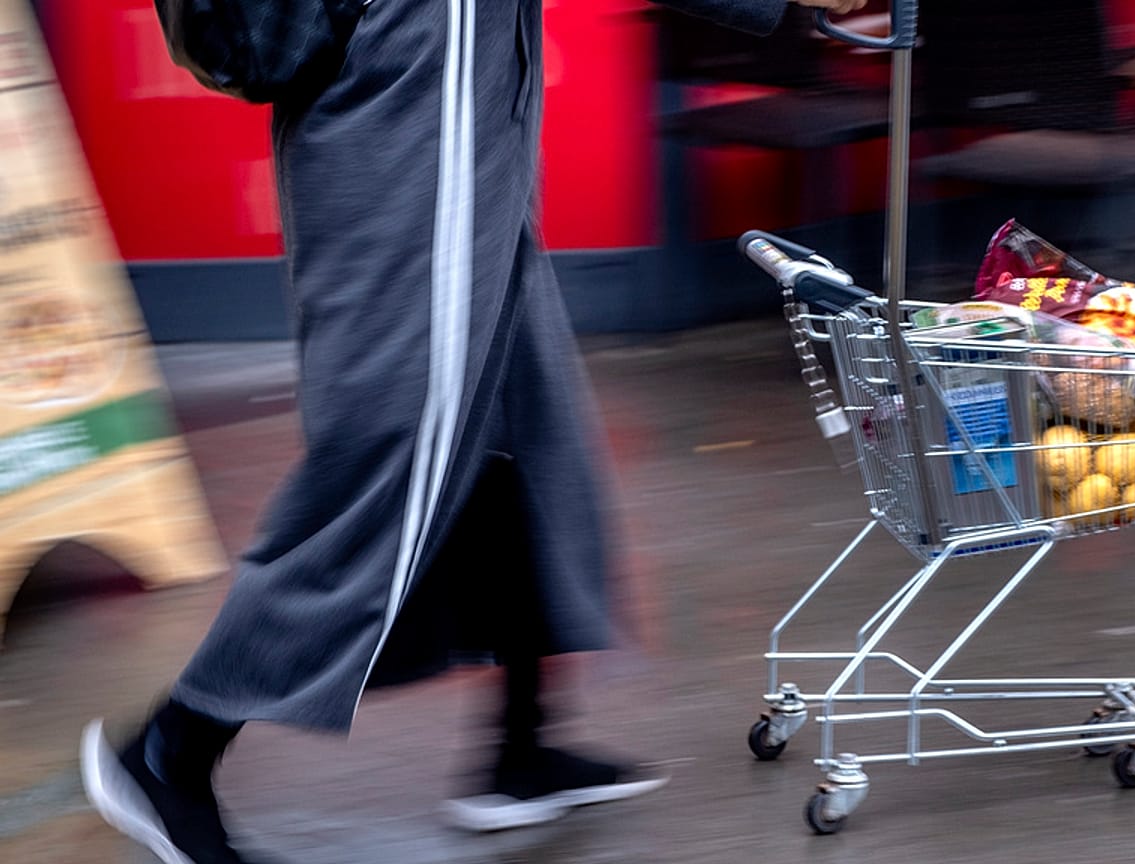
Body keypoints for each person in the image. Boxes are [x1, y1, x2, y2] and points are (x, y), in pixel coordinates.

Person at [78, 0, 868, 862]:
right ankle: (172, 749)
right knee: (397, 454)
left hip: (453, 89)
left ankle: (520, 748)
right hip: (414, 96)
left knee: (520, 424)